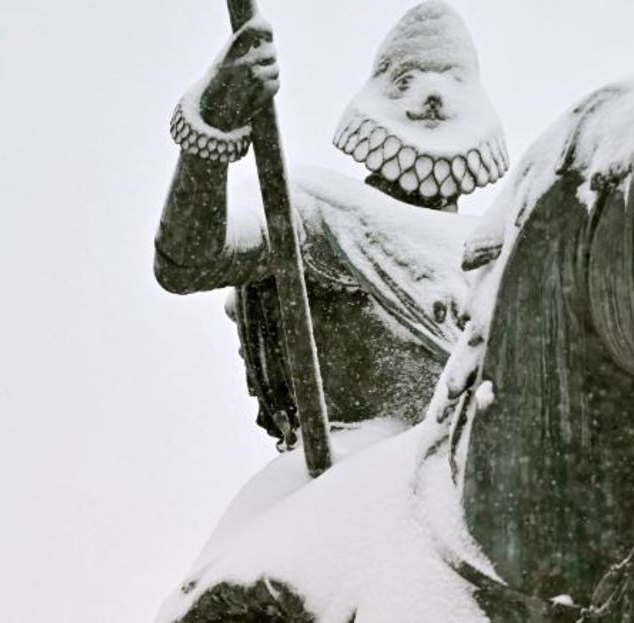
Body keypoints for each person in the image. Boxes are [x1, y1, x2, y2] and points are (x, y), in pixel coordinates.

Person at [154, 1, 508, 447]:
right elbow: (189, 262)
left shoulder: (503, 260)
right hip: (341, 486)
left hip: (462, 498)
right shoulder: (319, 214)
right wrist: (212, 126)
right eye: (407, 81)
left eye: (454, 82)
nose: (433, 97)